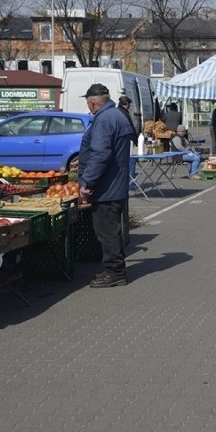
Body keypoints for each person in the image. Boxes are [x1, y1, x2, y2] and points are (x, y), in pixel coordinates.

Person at [76, 83, 135, 288]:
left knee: (106, 232)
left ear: (93, 103)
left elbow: (101, 154)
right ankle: (112, 269)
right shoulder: (118, 115)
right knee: (110, 230)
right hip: (115, 184)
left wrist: (88, 182)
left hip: (107, 188)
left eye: (88, 103)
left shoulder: (104, 119)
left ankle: (115, 273)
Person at [117, 96, 138, 183]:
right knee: (131, 161)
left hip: (120, 141)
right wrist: (135, 140)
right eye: (129, 104)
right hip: (127, 141)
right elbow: (130, 129)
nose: (130, 106)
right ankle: (131, 183)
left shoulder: (117, 112)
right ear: (126, 104)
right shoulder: (124, 114)